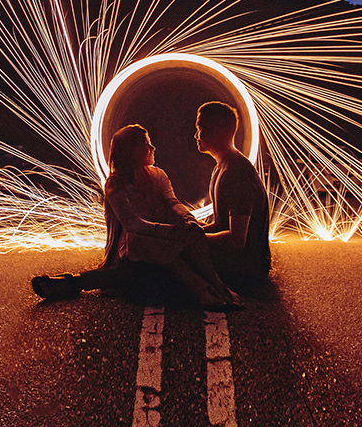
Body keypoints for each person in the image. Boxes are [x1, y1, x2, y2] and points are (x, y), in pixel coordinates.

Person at [31, 123, 240, 308]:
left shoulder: (158, 175)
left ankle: (217, 285)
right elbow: (133, 225)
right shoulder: (115, 184)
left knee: (189, 233)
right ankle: (203, 289)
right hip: (131, 247)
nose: (153, 148)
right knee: (145, 242)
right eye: (147, 144)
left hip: (160, 241)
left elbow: (172, 203)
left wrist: (188, 221)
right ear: (133, 151)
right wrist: (173, 231)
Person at [196, 101, 271, 291]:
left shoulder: (236, 173)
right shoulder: (222, 167)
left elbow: (237, 240)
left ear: (219, 130)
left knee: (171, 259)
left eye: (201, 128)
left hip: (246, 269)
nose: (196, 135)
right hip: (239, 262)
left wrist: (194, 239)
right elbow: (222, 227)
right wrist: (193, 228)